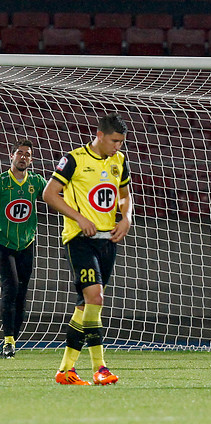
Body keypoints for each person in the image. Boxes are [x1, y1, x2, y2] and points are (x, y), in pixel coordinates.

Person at [43, 113, 132, 385]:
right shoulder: (74, 159)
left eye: (122, 142)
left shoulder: (119, 161)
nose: (118, 146)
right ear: (100, 135)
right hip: (79, 238)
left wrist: (126, 218)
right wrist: (79, 219)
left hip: (108, 240)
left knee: (86, 306)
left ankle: (65, 370)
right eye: (115, 141)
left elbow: (125, 196)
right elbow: (49, 194)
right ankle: (100, 368)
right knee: (95, 298)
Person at [0, 140, 47, 359]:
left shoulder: (37, 182)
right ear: (11, 156)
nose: (23, 157)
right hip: (4, 244)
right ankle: (8, 339)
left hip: (27, 244)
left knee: (21, 294)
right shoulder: (1, 182)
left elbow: (56, 194)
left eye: (27, 154)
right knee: (10, 289)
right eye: (19, 153)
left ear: (32, 159)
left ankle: (11, 341)